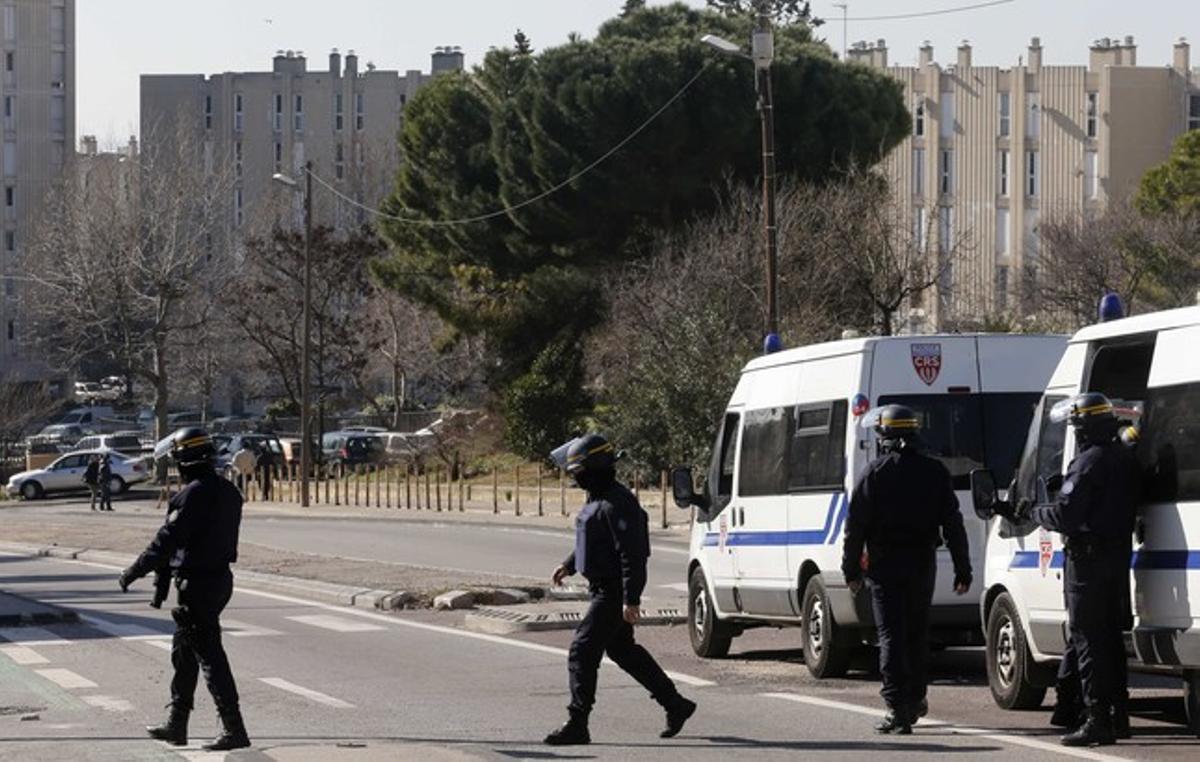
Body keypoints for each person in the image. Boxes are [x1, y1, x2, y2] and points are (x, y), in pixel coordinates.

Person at [543, 433, 696, 746]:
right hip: (602, 587)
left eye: (579, 471)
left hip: (613, 592)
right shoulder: (598, 497)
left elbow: (632, 554)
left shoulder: (619, 502)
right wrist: (570, 564)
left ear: (595, 468)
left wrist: (631, 598)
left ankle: (578, 722)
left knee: (582, 650)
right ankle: (676, 704)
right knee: (623, 651)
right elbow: (596, 539)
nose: (576, 478)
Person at [841, 405, 972, 735]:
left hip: (886, 567)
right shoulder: (935, 472)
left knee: (891, 636)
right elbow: (953, 523)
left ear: (884, 436)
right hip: (922, 564)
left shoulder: (874, 473)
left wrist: (851, 571)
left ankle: (897, 708)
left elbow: (855, 528)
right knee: (916, 633)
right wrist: (962, 567)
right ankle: (915, 697)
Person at [118, 427, 250, 751]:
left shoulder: (191, 494)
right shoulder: (228, 492)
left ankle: (234, 728)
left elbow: (168, 541)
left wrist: (134, 571)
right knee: (184, 654)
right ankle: (177, 724)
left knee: (210, 657)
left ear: (185, 459)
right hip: (219, 579)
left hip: (198, 583)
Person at [1028, 393, 1139, 747]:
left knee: (1088, 639)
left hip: (1087, 563)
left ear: (1085, 428)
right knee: (1110, 641)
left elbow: (1066, 516)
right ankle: (1118, 717)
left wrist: (1035, 512)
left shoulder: (1087, 462)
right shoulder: (1124, 458)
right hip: (1116, 559)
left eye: (1076, 426)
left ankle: (1096, 720)